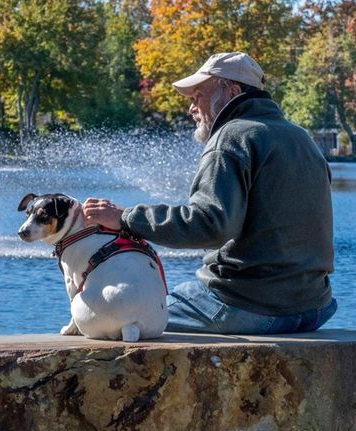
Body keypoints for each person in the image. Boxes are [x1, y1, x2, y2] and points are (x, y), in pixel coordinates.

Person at [82, 52, 337, 335]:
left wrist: (126, 218)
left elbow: (209, 225)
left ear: (233, 92)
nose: (192, 108)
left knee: (115, 318)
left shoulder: (232, 137)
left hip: (249, 307)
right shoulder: (301, 138)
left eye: (198, 96)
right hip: (313, 308)